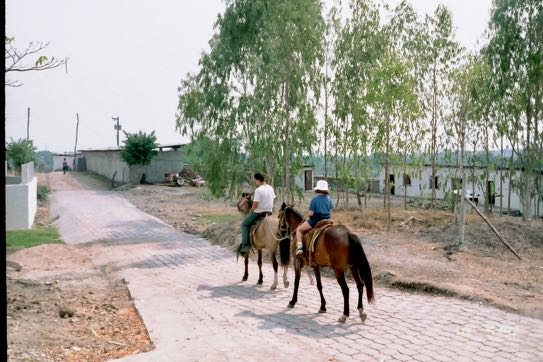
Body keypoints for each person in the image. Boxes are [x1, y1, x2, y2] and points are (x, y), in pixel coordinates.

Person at [240, 173, 276, 254]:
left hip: (259, 213)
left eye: (255, 181)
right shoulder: (270, 188)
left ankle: (245, 245)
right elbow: (273, 199)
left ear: (257, 180)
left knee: (244, 225)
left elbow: (255, 204)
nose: (255, 183)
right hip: (269, 212)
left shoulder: (258, 190)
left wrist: (251, 210)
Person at [296, 180, 333, 256]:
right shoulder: (329, 199)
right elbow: (330, 211)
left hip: (316, 221)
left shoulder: (315, 200)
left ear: (318, 189)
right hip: (327, 221)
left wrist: (309, 215)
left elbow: (311, 214)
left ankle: (299, 247)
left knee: (299, 229)